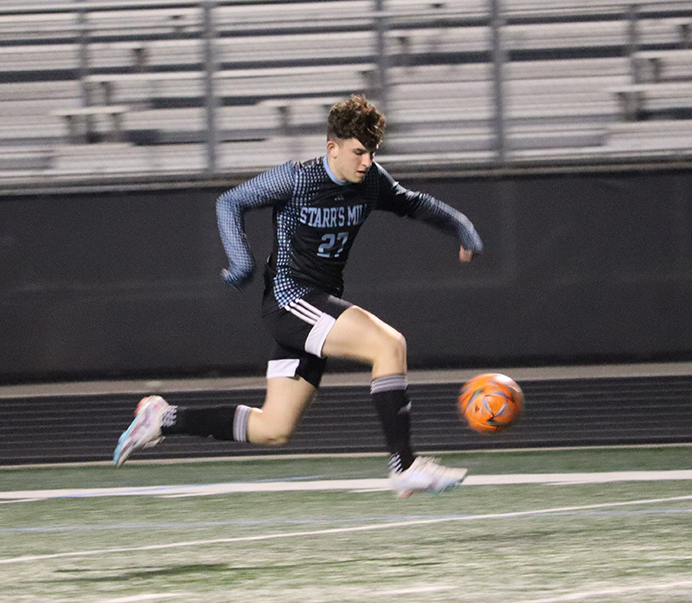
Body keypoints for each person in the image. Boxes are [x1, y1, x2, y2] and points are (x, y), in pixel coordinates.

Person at [113, 95, 483, 497]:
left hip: (313, 306)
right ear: (332, 148)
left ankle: (164, 418)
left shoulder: (372, 180)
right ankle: (405, 465)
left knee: (273, 428)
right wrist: (242, 263)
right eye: (358, 152)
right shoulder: (299, 179)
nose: (366, 162)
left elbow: (414, 204)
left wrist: (461, 226)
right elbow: (230, 201)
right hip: (291, 301)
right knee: (389, 345)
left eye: (372, 153)